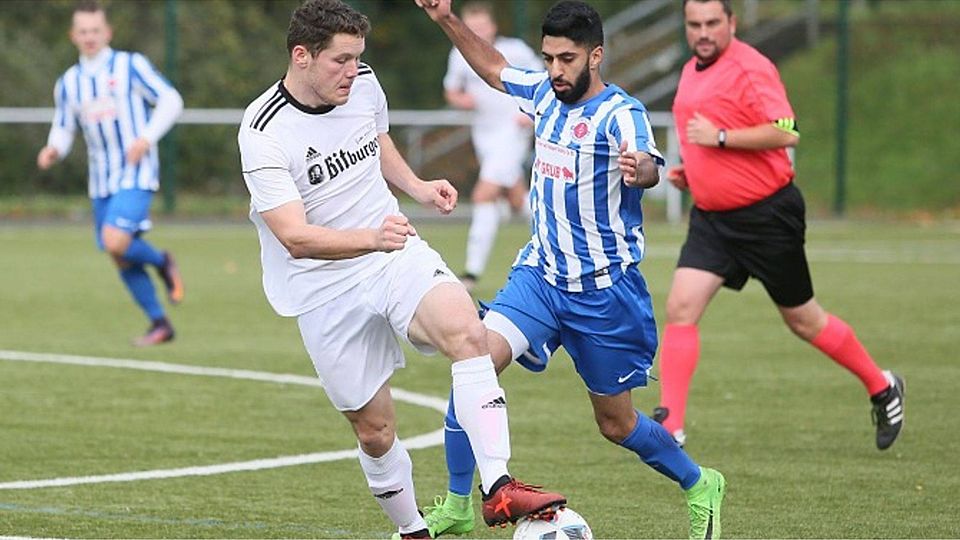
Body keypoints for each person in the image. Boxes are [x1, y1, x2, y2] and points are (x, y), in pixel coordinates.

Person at [236, 1, 565, 538]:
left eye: (357, 58)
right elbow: (294, 238)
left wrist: (415, 187)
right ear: (301, 55)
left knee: (466, 331)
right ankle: (412, 529)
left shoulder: (362, 82)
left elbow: (376, 138)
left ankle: (499, 486)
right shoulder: (263, 130)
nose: (353, 71)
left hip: (391, 255)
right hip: (321, 287)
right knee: (375, 432)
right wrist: (370, 237)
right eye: (340, 60)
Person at [416, 1, 726, 538]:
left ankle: (700, 483)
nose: (556, 70)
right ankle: (460, 501)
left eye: (567, 58)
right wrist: (446, 18)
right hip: (539, 277)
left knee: (616, 423)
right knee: (473, 361)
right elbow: (493, 68)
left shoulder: (620, 113)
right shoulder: (541, 94)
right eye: (549, 57)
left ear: (596, 55)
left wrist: (642, 170)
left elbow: (648, 161)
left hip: (604, 294)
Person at [652, 0, 904, 451]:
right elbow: (705, 137)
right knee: (680, 307)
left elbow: (786, 130)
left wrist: (721, 139)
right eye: (695, 24)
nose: (703, 32)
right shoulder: (692, 69)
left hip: (767, 217)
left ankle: (882, 385)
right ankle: (671, 428)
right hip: (712, 219)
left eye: (713, 23)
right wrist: (694, 173)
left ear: (732, 22)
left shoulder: (751, 67)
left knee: (804, 320)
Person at [36, 0, 185, 347]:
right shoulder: (69, 83)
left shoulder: (130, 65)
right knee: (116, 252)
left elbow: (171, 100)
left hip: (135, 170)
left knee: (115, 239)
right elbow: (63, 127)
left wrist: (146, 137)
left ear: (107, 32)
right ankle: (160, 323)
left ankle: (163, 261)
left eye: (96, 30)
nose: (90, 37)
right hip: (101, 178)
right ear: (74, 35)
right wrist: (53, 148)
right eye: (83, 31)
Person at [442, 1, 541, 292]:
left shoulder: (516, 50)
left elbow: (542, 81)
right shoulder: (459, 54)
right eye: (473, 28)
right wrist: (462, 101)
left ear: (493, 27)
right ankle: (557, 244)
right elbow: (451, 91)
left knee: (483, 194)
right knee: (516, 199)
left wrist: (531, 114)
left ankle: (471, 273)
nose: (478, 32)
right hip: (483, 135)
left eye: (483, 27)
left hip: (513, 131)